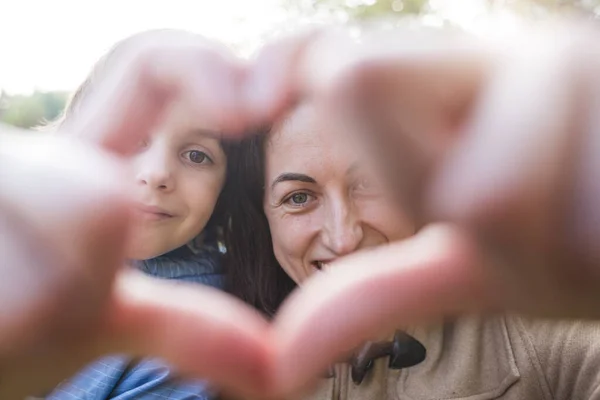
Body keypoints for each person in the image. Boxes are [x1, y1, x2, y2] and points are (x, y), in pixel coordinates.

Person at [225, 101, 600, 399]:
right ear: (263, 221)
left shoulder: (537, 318)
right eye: (299, 198)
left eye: (370, 181)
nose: (343, 238)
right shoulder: (231, 361)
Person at [42, 30, 238, 400]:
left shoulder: (189, 338)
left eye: (197, 155)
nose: (157, 173)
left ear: (226, 189)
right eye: (134, 139)